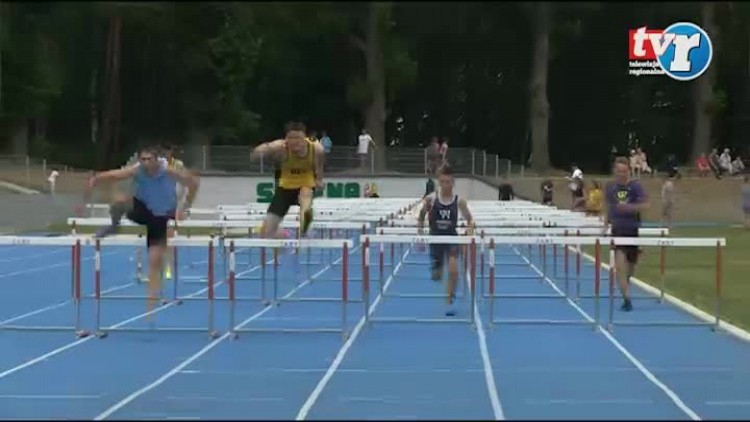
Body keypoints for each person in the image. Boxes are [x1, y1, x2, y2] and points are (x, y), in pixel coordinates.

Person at [87, 145, 199, 314]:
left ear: (156, 160)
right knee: (120, 202)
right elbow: (116, 174)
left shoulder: (168, 171)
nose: (146, 163)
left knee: (154, 258)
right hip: (142, 209)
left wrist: (185, 206)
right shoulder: (138, 169)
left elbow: (193, 183)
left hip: (160, 215)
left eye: (149, 160)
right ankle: (114, 225)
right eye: (143, 159)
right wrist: (97, 178)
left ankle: (157, 293)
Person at [417, 165, 474, 317]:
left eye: (448, 182)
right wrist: (420, 236)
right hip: (435, 238)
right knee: (437, 276)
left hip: (451, 238)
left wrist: (469, 234)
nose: (445, 185)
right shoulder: (431, 199)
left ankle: (450, 299)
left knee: (454, 270)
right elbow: (421, 217)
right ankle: (437, 267)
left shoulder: (459, 201)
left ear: (453, 183)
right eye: (442, 182)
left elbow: (470, 219)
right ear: (439, 182)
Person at [251, 121, 324, 238]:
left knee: (305, 197)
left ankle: (305, 227)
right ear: (286, 139)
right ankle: (283, 235)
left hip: (306, 185)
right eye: (291, 138)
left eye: (298, 138)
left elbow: (319, 165)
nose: (295, 142)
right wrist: (260, 152)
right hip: (285, 188)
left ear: (305, 139)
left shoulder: (316, 148)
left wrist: (319, 179)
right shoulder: (279, 147)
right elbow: (258, 151)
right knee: (267, 232)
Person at [603, 156, 649, 312]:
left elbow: (645, 205)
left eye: (624, 171)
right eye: (618, 171)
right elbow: (609, 207)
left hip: (632, 230)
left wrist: (629, 208)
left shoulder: (635, 186)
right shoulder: (610, 187)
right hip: (618, 231)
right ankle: (627, 299)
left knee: (629, 269)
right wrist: (605, 224)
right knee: (620, 266)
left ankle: (625, 288)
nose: (621, 174)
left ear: (628, 171)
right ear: (614, 171)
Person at [161, 144, 186, 280]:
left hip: (173, 203)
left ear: (171, 151)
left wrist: (181, 207)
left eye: (168, 150)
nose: (166, 153)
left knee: (170, 235)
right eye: (164, 151)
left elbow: (183, 184)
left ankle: (168, 265)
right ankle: (162, 263)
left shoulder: (178, 165)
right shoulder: (158, 164)